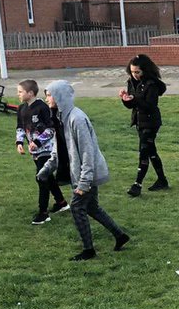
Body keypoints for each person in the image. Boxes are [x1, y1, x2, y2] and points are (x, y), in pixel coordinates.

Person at [41, 80, 130, 261]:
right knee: (92, 207)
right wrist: (47, 168)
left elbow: (88, 152)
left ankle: (88, 250)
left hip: (86, 173)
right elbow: (60, 150)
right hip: (79, 173)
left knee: (76, 207)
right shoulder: (60, 118)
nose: (46, 98)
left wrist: (84, 182)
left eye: (49, 94)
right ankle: (120, 236)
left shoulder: (77, 118)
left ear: (60, 96)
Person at [16, 79, 69, 225]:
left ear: (30, 93)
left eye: (20, 92)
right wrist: (19, 142)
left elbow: (50, 129)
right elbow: (20, 127)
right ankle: (61, 203)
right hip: (34, 151)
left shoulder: (42, 108)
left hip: (46, 150)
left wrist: (37, 142)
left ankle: (43, 213)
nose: (18, 94)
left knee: (41, 177)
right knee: (48, 176)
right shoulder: (21, 109)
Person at [119, 54, 169, 196]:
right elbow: (131, 105)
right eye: (132, 71)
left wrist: (134, 99)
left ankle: (137, 184)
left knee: (144, 151)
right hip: (139, 121)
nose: (134, 75)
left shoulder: (151, 84)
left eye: (137, 72)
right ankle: (162, 180)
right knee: (151, 151)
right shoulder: (131, 82)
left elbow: (150, 106)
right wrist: (126, 99)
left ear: (144, 71)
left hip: (151, 122)